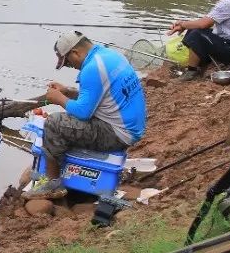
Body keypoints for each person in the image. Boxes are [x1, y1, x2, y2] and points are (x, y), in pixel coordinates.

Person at [23, 31, 146, 200]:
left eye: (67, 62)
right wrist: (67, 92)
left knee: (52, 122)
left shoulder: (92, 69)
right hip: (131, 128)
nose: (70, 66)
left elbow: (83, 112)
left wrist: (59, 99)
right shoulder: (108, 56)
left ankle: (52, 185)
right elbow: (97, 96)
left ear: (75, 52)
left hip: (117, 134)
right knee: (63, 120)